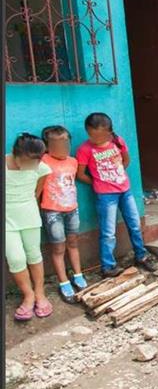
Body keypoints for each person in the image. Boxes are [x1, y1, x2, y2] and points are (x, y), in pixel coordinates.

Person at [76, 113, 158, 277]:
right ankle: (107, 266)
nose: (96, 140)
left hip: (125, 191)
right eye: (92, 136)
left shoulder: (117, 142)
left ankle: (141, 255)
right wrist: (99, 182)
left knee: (135, 225)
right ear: (87, 132)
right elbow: (81, 174)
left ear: (109, 132)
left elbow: (126, 160)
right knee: (108, 232)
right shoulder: (85, 149)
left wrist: (118, 175)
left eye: (100, 136)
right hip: (106, 196)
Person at [6, 134, 53, 320]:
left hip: (29, 216)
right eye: (24, 161)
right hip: (7, 220)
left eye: (34, 162)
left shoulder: (41, 168)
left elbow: (36, 193)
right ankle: (28, 295)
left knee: (34, 255)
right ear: (15, 153)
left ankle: (40, 293)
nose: (29, 166)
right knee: (15, 258)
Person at [40, 125, 86, 303]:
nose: (62, 149)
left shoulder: (73, 161)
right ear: (47, 146)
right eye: (56, 145)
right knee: (58, 247)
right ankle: (63, 281)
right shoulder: (43, 162)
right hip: (52, 212)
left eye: (65, 144)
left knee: (73, 242)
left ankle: (78, 274)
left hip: (72, 209)